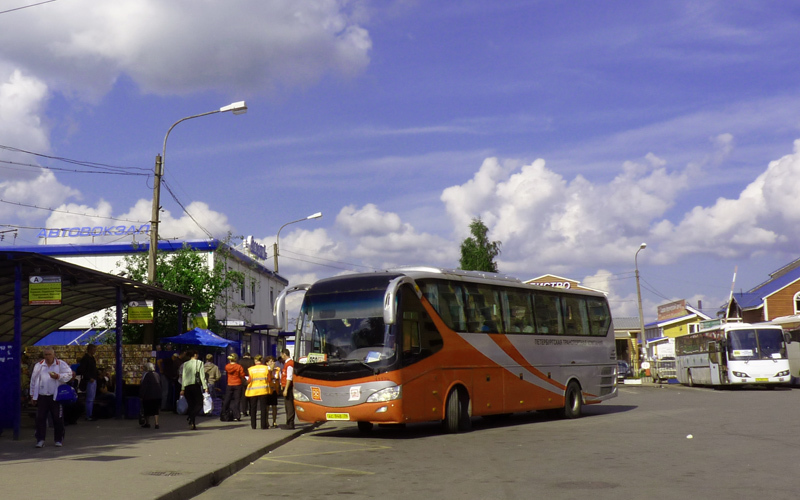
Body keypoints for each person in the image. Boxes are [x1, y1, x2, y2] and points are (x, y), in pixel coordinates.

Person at [29, 347, 73, 448]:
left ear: (53, 355)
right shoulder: (39, 365)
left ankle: (58, 439)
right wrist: (33, 396)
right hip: (42, 395)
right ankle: (40, 440)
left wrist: (58, 376)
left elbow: (69, 374)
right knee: (40, 418)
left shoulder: (60, 364)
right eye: (46, 355)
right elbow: (33, 380)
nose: (48, 357)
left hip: (55, 396)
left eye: (49, 354)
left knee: (57, 418)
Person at [180, 350, 208, 430]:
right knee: (199, 403)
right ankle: (191, 416)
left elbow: (184, 377)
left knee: (191, 405)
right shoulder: (199, 363)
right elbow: (202, 376)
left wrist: (182, 388)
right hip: (195, 385)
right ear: (195, 355)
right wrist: (205, 387)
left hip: (187, 386)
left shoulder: (185, 364)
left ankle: (192, 423)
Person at [244, 355, 270, 430]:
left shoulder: (251, 369)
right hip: (263, 390)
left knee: (253, 408)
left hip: (253, 390)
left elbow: (249, 380)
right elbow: (268, 379)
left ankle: (253, 425)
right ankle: (263, 425)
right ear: (261, 361)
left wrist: (246, 382)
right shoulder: (265, 368)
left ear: (255, 361)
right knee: (263, 408)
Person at [77, 344, 98, 421]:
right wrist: (89, 377)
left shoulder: (91, 358)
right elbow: (82, 369)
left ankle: (90, 414)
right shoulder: (86, 359)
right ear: (90, 349)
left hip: (92, 379)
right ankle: (89, 415)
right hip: (90, 380)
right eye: (94, 349)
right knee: (90, 398)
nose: (94, 351)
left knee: (91, 398)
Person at [221, 353, 246, 421]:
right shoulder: (238, 366)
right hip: (237, 384)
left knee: (227, 399)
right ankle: (237, 415)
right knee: (237, 400)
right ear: (236, 359)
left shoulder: (227, 366)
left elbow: (227, 371)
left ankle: (224, 413)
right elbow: (242, 375)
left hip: (229, 384)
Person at [139, 362, 162, 429]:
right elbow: (160, 384)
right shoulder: (157, 374)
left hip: (148, 395)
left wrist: (141, 395)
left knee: (147, 409)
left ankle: (147, 423)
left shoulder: (146, 375)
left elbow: (144, 386)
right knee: (156, 410)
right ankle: (156, 423)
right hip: (157, 395)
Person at [279, 348, 295, 429]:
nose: (281, 356)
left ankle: (290, 423)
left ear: (284, 354)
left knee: (289, 405)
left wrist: (286, 389)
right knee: (287, 405)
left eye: (281, 354)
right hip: (286, 386)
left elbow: (289, 377)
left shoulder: (289, 364)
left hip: (288, 387)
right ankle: (288, 422)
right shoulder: (287, 363)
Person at [265, 355, 281, 428]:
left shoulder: (277, 369)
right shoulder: (266, 369)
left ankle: (274, 421)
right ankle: (266, 421)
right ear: (267, 363)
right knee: (267, 407)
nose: (273, 362)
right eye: (271, 361)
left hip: (274, 390)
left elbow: (279, 379)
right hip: (268, 390)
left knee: (274, 406)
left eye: (273, 361)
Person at [239, 351, 254, 416]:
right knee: (251, 396)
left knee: (244, 396)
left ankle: (244, 411)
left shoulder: (240, 361)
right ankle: (251, 411)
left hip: (242, 378)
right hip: (250, 378)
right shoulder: (251, 361)